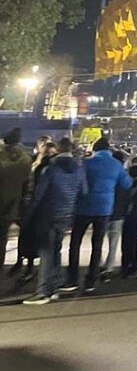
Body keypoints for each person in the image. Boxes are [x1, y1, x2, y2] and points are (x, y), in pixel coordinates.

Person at [22, 137, 88, 305]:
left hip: (48, 214)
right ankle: (55, 286)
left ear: (58, 149)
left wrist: (28, 215)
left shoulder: (51, 169)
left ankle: (43, 291)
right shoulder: (79, 169)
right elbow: (84, 192)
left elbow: (38, 195)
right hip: (66, 215)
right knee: (56, 250)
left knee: (46, 253)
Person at [63, 135, 132, 294]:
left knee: (75, 243)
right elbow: (127, 184)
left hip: (83, 207)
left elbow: (78, 183)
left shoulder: (86, 163)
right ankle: (91, 280)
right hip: (104, 209)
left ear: (94, 150)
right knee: (97, 244)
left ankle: (72, 278)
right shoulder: (116, 165)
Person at [13, 138, 58, 280]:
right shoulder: (36, 164)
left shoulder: (47, 168)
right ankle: (25, 264)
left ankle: (33, 269)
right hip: (32, 204)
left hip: (39, 206)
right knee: (28, 236)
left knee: (38, 240)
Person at [0, 128, 33, 271]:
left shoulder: (1, 157)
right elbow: (28, 184)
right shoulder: (26, 160)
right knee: (2, 239)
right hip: (11, 205)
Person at [101, 149, 130, 281]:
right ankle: (109, 268)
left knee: (98, 240)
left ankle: (98, 264)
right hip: (118, 212)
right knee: (113, 242)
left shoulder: (106, 173)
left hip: (104, 210)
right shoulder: (123, 176)